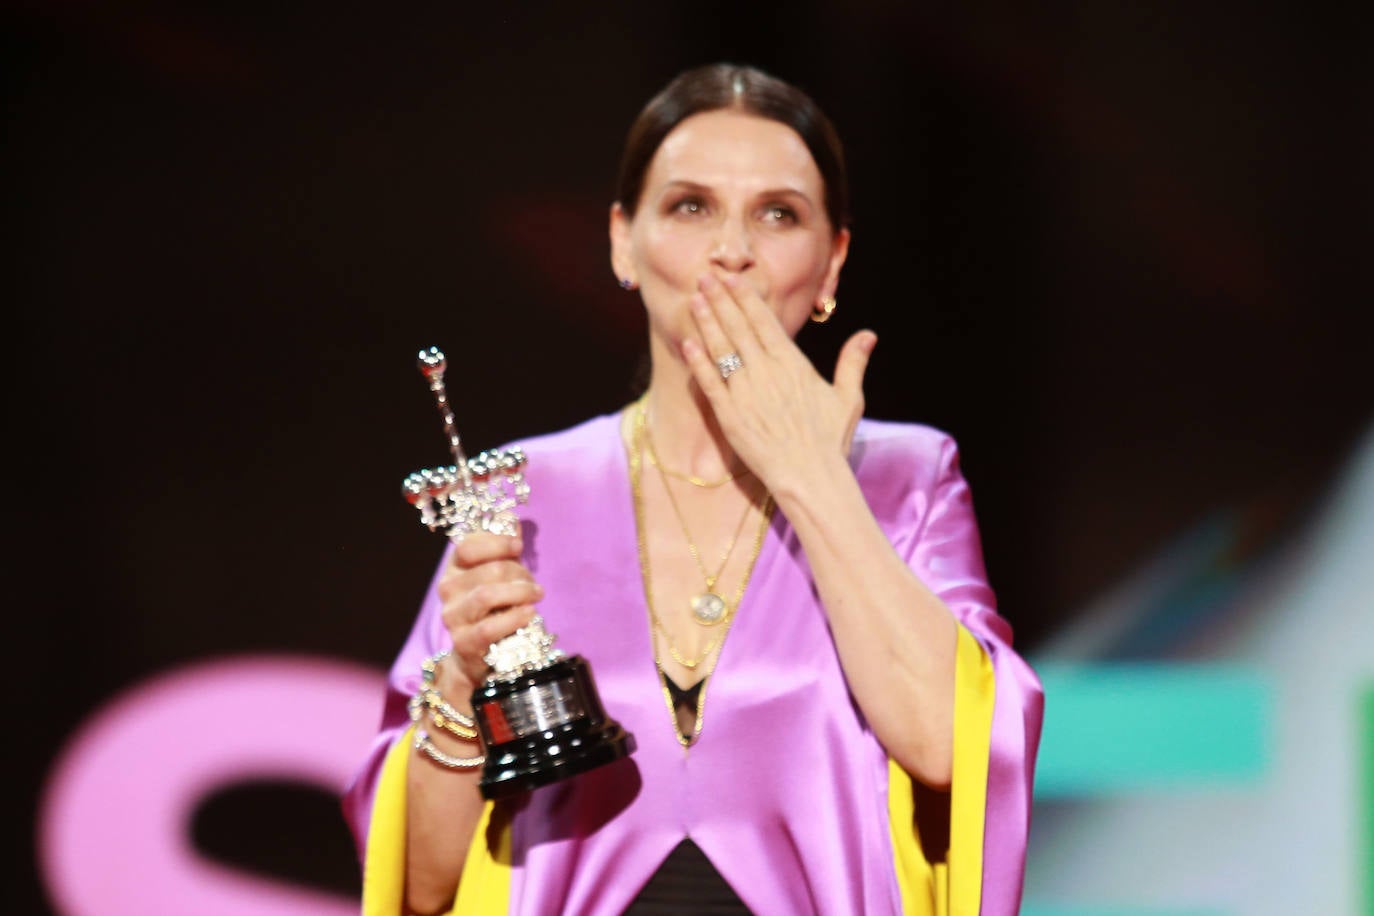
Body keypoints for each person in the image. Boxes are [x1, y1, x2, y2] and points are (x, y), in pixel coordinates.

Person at [342, 62, 1043, 916]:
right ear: (621, 242)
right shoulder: (520, 493)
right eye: (690, 206)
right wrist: (460, 685)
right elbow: (418, 883)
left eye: (778, 214)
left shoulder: (906, 478)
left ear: (832, 265)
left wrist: (810, 475)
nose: (732, 250)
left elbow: (954, 751)